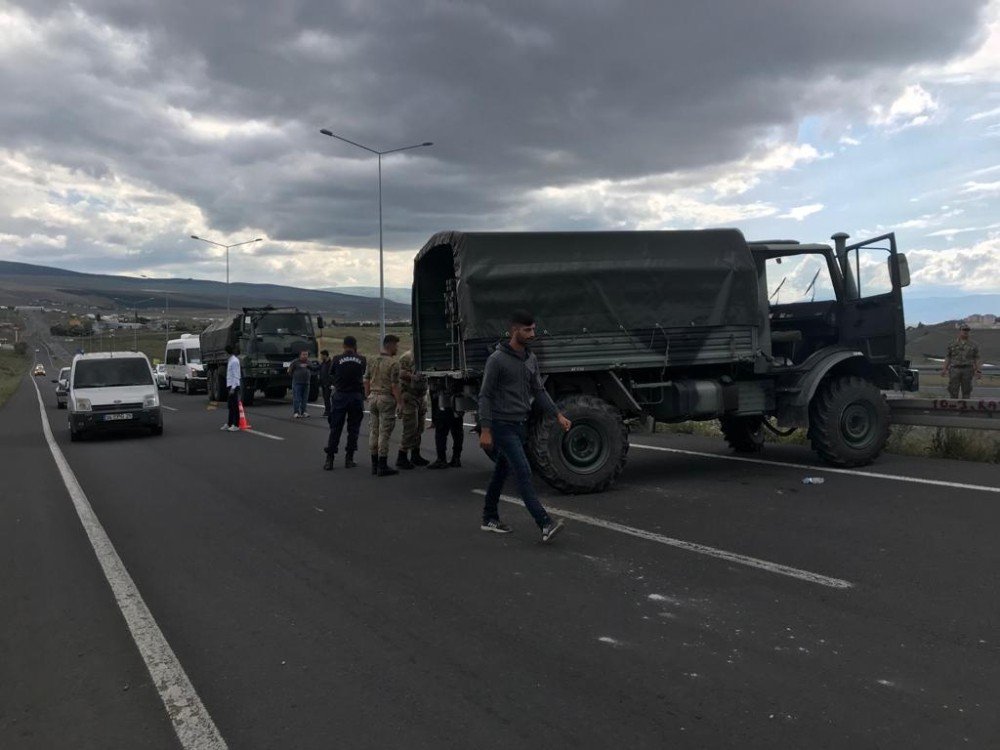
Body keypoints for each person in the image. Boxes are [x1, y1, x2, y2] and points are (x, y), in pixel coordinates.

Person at [478, 309, 572, 542]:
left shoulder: (530, 359)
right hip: (502, 425)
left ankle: (489, 517)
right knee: (523, 471)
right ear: (514, 331)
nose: (532, 333)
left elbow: (538, 391)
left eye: (533, 329)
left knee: (502, 471)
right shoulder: (497, 360)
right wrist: (486, 430)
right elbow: (485, 396)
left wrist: (557, 415)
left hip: (521, 424)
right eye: (527, 330)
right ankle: (545, 523)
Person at [324, 336, 366, 470]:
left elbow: (331, 374)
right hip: (356, 396)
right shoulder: (362, 359)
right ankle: (349, 458)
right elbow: (363, 373)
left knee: (335, 428)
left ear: (343, 345)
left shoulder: (336, 359)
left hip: (340, 396)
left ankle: (329, 459)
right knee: (353, 429)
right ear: (355, 346)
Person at [364, 334, 401, 476]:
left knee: (374, 431)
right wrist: (400, 402)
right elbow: (394, 386)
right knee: (384, 433)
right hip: (386, 399)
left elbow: (366, 380)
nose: (397, 348)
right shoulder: (393, 363)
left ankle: (374, 465)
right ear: (390, 345)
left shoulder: (371, 360)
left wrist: (368, 395)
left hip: (373, 397)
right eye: (396, 345)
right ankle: (382, 465)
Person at [395, 349, 430, 469]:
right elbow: (399, 373)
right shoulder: (407, 357)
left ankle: (416, 454)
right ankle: (402, 455)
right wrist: (412, 376)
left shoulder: (425, 355)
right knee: (410, 426)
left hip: (421, 394)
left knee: (420, 427)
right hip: (409, 395)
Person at [942, 324, 982, 399]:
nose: (965, 332)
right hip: (954, 369)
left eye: (967, 330)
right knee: (953, 390)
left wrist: (978, 370)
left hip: (968, 370)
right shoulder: (952, 344)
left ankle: (964, 409)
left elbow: (977, 358)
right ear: (960, 331)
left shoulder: (973, 345)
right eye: (964, 330)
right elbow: (948, 357)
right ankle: (954, 408)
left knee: (967, 390)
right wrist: (944, 368)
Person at [427, 396, 465, 469]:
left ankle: (441, 459)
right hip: (458, 402)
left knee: (441, 432)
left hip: (445, 401)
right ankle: (456, 458)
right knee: (457, 431)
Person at [221, 344, 241, 432]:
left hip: (234, 386)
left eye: (224, 353)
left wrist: (233, 388)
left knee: (234, 406)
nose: (224, 354)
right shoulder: (230, 360)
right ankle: (229, 423)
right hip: (230, 385)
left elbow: (236, 376)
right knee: (230, 405)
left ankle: (236, 424)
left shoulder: (234, 361)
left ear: (227, 352)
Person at [288, 350, 312, 418]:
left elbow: (312, 369)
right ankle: (296, 412)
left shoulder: (309, 362)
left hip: (306, 383)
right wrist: (295, 376)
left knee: (305, 398)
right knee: (297, 398)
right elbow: (290, 371)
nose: (305, 356)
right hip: (297, 383)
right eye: (303, 354)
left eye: (306, 354)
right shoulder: (295, 362)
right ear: (300, 355)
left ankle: (304, 411)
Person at [318, 349, 332, 417]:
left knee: (327, 397)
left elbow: (332, 374)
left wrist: (331, 383)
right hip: (323, 383)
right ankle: (328, 410)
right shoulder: (323, 363)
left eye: (321, 355)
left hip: (328, 384)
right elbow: (317, 368)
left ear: (325, 355)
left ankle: (328, 411)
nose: (320, 357)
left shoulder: (330, 363)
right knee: (325, 398)